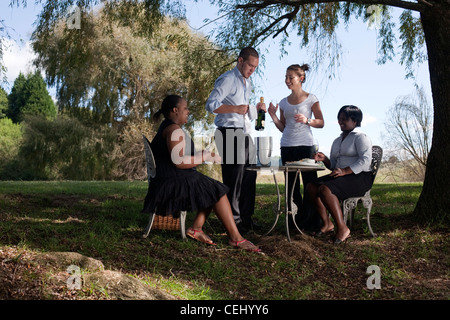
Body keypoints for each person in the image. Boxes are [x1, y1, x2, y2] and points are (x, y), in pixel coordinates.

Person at [142, 95, 261, 252]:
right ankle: (236, 238)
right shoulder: (173, 130)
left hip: (166, 180)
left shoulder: (168, 127)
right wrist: (202, 157)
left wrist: (205, 156)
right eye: (185, 108)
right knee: (218, 190)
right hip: (170, 184)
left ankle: (197, 228)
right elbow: (179, 162)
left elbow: (178, 156)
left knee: (212, 187)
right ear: (175, 110)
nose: (188, 111)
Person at [205, 47, 266, 234]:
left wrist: (253, 109)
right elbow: (211, 105)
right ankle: (233, 222)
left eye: (255, 67)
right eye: (250, 65)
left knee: (249, 176)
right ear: (240, 60)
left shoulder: (246, 83)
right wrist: (235, 109)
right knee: (234, 178)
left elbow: (243, 110)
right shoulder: (228, 79)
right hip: (228, 133)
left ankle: (246, 219)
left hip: (244, 133)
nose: (252, 70)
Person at [268, 64, 324, 231]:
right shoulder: (284, 102)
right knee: (291, 187)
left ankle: (313, 222)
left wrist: (308, 120)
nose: (287, 81)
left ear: (301, 78)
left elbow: (321, 122)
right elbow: (283, 127)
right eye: (285, 77)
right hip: (287, 146)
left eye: (290, 77)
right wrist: (272, 115)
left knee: (309, 186)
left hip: (306, 146)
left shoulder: (311, 98)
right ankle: (295, 223)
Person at [306, 105, 373, 244]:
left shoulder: (361, 137)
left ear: (354, 121)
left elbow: (366, 161)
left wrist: (345, 171)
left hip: (359, 177)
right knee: (311, 186)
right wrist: (325, 159)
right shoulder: (337, 140)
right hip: (342, 176)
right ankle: (327, 224)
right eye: (339, 119)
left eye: (344, 119)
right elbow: (334, 167)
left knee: (325, 189)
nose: (340, 122)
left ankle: (343, 229)